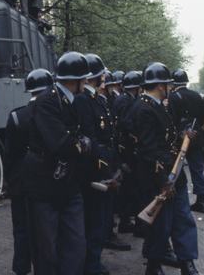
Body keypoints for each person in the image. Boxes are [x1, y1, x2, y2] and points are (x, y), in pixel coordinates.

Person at [24, 51, 92, 275]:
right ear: (75, 80)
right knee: (48, 248)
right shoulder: (47, 101)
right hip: (46, 184)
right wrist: (80, 144)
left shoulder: (75, 100)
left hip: (69, 183)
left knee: (76, 244)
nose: (87, 82)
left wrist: (80, 143)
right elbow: (61, 144)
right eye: (84, 78)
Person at [130, 62, 199, 275]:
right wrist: (164, 180)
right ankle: (153, 265)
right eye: (167, 84)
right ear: (160, 86)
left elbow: (166, 139)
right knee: (161, 224)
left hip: (173, 173)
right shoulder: (143, 109)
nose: (170, 88)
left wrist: (182, 136)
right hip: (158, 177)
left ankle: (187, 262)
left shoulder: (158, 105)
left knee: (183, 219)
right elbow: (149, 149)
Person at [74, 54, 127, 275]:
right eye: (101, 74)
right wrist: (103, 170)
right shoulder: (83, 100)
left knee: (101, 219)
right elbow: (91, 137)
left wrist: (114, 166)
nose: (104, 77)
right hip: (94, 169)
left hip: (105, 164)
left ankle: (93, 261)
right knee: (93, 221)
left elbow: (109, 136)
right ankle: (90, 264)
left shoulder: (98, 99)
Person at [5, 69, 54, 275]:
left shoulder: (17, 116)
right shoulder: (52, 114)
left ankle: (21, 267)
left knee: (21, 228)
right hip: (46, 180)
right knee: (45, 230)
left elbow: (10, 155)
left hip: (20, 181)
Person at [169, 69, 204, 214]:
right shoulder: (196, 95)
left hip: (179, 138)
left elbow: (171, 119)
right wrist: (197, 131)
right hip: (196, 136)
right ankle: (201, 200)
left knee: (176, 169)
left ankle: (177, 199)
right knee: (197, 169)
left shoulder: (173, 97)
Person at [112, 70, 142, 235]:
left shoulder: (125, 99)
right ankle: (126, 220)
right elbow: (126, 123)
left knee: (130, 185)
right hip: (127, 147)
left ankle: (128, 219)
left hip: (127, 146)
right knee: (130, 185)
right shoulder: (126, 101)